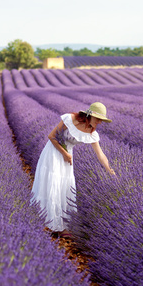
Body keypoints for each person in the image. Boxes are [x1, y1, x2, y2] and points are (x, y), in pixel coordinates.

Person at [30, 101, 116, 236]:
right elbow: (52, 137)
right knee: (53, 184)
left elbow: (101, 155)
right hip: (54, 153)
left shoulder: (92, 133)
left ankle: (61, 226)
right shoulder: (71, 119)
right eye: (98, 119)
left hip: (67, 157)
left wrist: (110, 170)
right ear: (89, 115)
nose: (99, 122)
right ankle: (45, 223)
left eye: (101, 120)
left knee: (65, 188)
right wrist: (65, 154)